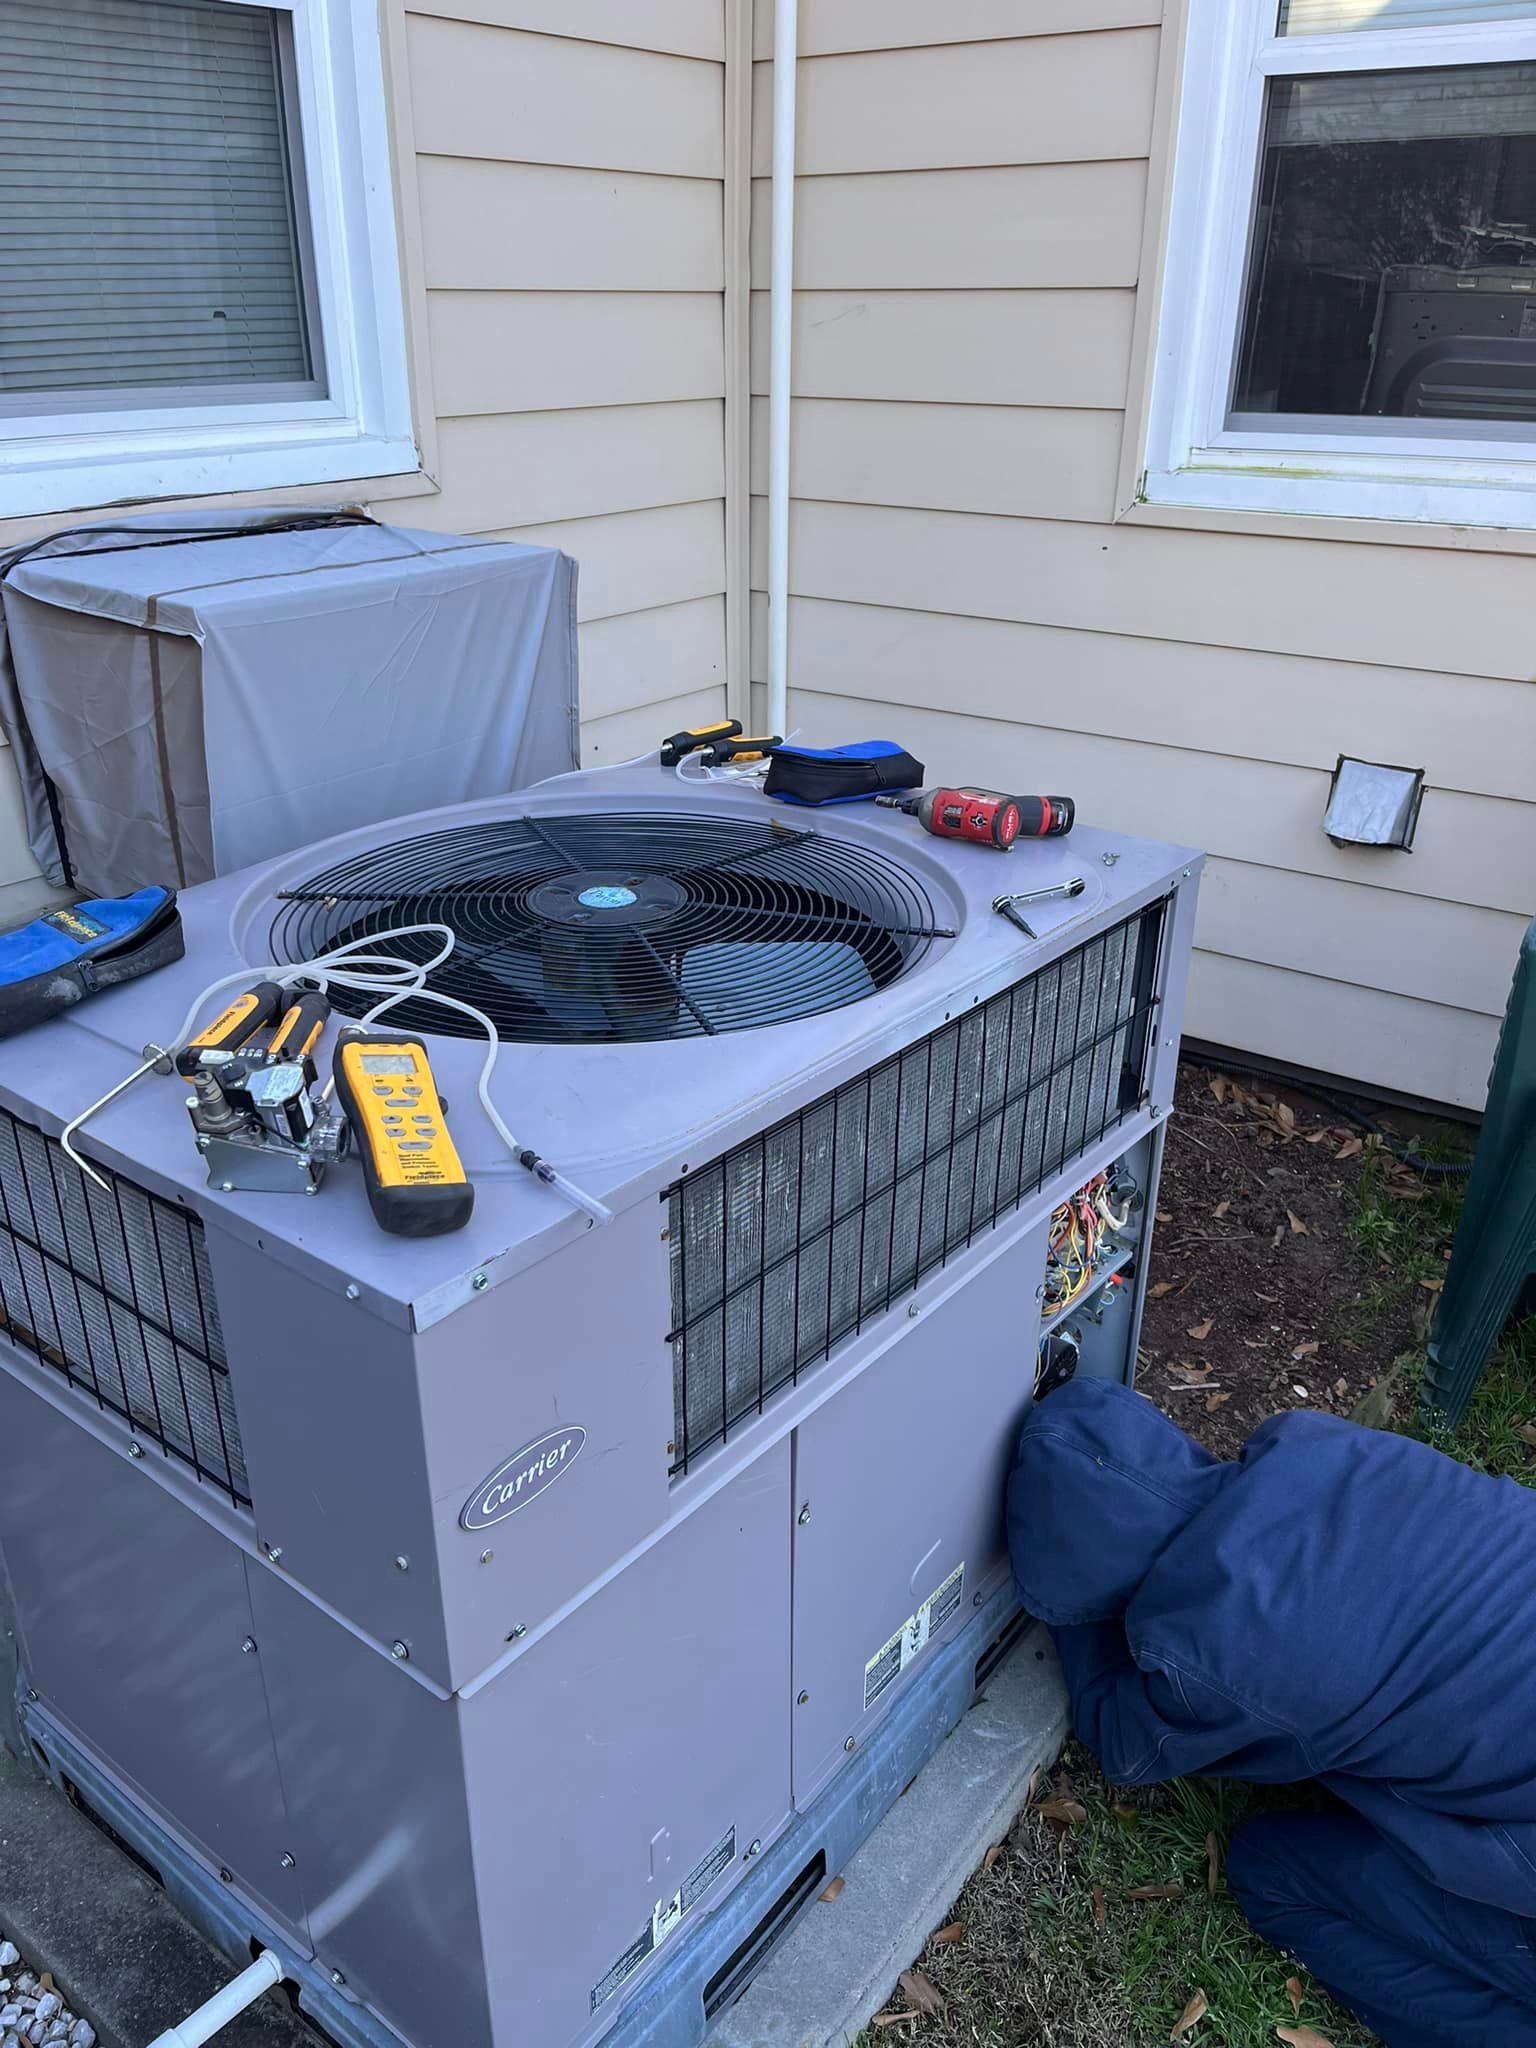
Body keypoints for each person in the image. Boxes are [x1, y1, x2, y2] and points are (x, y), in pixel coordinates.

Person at [1006, 1375, 1536, 2048]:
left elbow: (1121, 1741)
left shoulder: (1209, 1651)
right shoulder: (1307, 1445)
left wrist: (1070, 1616)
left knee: (1274, 1873)